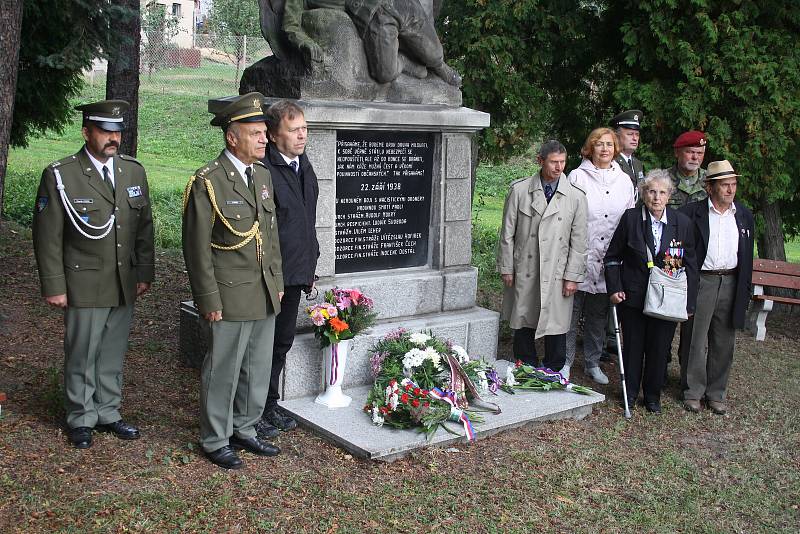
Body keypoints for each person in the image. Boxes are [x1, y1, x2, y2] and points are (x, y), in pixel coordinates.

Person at [32, 100, 154, 449]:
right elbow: (47, 236)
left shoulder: (133, 171)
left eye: (117, 131)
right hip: (83, 279)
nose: (113, 138)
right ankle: (80, 416)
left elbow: (144, 228)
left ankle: (108, 411)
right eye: (105, 131)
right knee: (83, 350)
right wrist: (54, 285)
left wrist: (143, 272)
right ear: (87, 132)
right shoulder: (62, 174)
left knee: (113, 350)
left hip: (123, 280)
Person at [182, 93, 284, 469]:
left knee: (256, 367)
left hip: (262, 291)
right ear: (232, 137)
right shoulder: (208, 182)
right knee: (224, 367)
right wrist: (207, 299)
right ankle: (215, 438)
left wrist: (277, 281)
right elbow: (196, 250)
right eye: (256, 133)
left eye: (264, 133)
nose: (264, 139)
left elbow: (270, 236)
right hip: (227, 294)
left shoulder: (262, 175)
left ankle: (245, 427)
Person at [604, 170, 697, 413]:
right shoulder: (631, 219)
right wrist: (615, 289)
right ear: (644, 194)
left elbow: (691, 266)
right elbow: (612, 258)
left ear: (669, 196)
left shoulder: (682, 224)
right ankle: (631, 393)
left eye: (662, 192)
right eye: (651, 191)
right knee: (634, 347)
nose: (656, 197)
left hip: (667, 299)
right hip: (633, 297)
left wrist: (689, 304)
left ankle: (653, 396)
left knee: (659, 349)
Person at [256, 100, 319, 437]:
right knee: (263, 345)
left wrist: (310, 262)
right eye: (294, 130)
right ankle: (254, 409)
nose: (301, 136)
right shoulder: (264, 170)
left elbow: (304, 221)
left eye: (304, 129)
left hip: (296, 273)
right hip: (271, 277)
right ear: (273, 133)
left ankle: (269, 404)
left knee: (281, 343)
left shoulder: (303, 165)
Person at [498, 140, 588, 371]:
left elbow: (579, 241)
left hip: (557, 270)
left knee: (556, 321)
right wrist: (507, 267)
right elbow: (507, 233)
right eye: (553, 162)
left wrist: (572, 276)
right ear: (540, 161)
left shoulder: (576, 197)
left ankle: (554, 368)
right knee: (524, 314)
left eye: (563, 162)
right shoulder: (520, 191)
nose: (559, 168)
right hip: (526, 268)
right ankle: (525, 364)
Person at [679, 160, 754, 414]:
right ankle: (693, 391)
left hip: (730, 280)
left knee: (724, 340)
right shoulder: (692, 213)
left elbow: (747, 256)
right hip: (703, 280)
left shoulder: (743, 215)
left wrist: (744, 289)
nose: (730, 190)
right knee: (695, 339)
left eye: (733, 184)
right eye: (724, 185)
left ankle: (716, 392)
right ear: (709, 187)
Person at [564, 128, 635, 384]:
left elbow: (629, 219)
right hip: (580, 254)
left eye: (609, 144)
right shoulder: (576, 177)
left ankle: (592, 362)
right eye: (599, 144)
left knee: (598, 314)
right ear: (590, 148)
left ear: (615, 149)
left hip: (609, 258)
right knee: (570, 311)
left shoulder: (624, 181)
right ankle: (565, 362)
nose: (604, 149)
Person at [280, 0, 461, 85]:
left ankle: (439, 65)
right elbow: (290, 24)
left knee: (434, 54)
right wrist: (304, 41)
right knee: (385, 73)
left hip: (402, 5)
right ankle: (404, 62)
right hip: (374, 17)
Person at [667, 130, 708, 207]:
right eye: (690, 152)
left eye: (699, 153)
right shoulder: (661, 180)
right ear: (677, 153)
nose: (695, 157)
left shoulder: (711, 180)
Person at [610, 110, 645, 191]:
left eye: (637, 134)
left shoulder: (638, 164)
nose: (635, 138)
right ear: (617, 136)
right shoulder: (611, 162)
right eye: (630, 134)